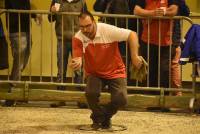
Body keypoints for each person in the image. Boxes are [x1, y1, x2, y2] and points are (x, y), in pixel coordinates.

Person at [70, 10, 142, 129]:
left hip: (115, 70)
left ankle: (102, 117)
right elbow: (77, 56)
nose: (85, 30)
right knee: (90, 93)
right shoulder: (78, 37)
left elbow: (132, 34)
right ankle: (100, 119)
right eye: (81, 27)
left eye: (88, 26)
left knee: (121, 99)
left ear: (94, 22)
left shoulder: (107, 30)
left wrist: (134, 56)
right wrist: (77, 61)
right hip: (94, 72)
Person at [48, 0, 87, 107]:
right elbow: (50, 19)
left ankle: (81, 99)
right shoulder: (57, 0)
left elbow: (86, 19)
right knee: (61, 69)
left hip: (78, 39)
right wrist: (52, 12)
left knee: (79, 70)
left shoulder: (81, 2)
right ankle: (60, 98)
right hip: (62, 39)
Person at [4, 0, 42, 106]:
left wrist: (34, 15)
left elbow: (24, 10)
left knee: (22, 61)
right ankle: (12, 93)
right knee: (19, 62)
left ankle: (14, 91)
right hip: (17, 30)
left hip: (25, 30)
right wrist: (34, 14)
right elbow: (19, 9)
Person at [134, 0, 178, 89]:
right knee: (150, 70)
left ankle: (164, 95)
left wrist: (164, 12)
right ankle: (150, 95)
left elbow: (174, 11)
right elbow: (136, 10)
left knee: (164, 70)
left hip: (166, 42)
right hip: (147, 41)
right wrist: (153, 13)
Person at [171, 0, 190, 96]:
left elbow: (186, 12)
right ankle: (177, 92)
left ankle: (176, 92)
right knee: (174, 63)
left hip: (172, 34)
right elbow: (186, 12)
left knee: (173, 63)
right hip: (174, 34)